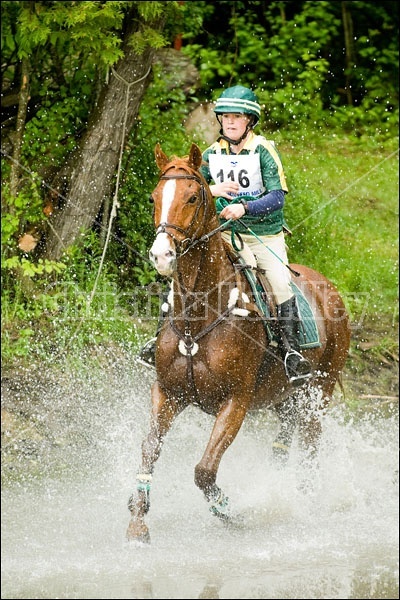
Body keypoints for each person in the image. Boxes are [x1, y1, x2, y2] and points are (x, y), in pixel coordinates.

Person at [138, 85, 311, 386]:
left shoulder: (264, 151)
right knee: (186, 274)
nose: (230, 122)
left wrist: (245, 207)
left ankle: (290, 353)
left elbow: (278, 197)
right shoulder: (210, 154)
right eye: (226, 117)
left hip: (265, 236)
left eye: (237, 117)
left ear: (249, 121)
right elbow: (192, 193)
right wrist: (213, 191)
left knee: (281, 284)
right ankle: (158, 339)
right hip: (224, 233)